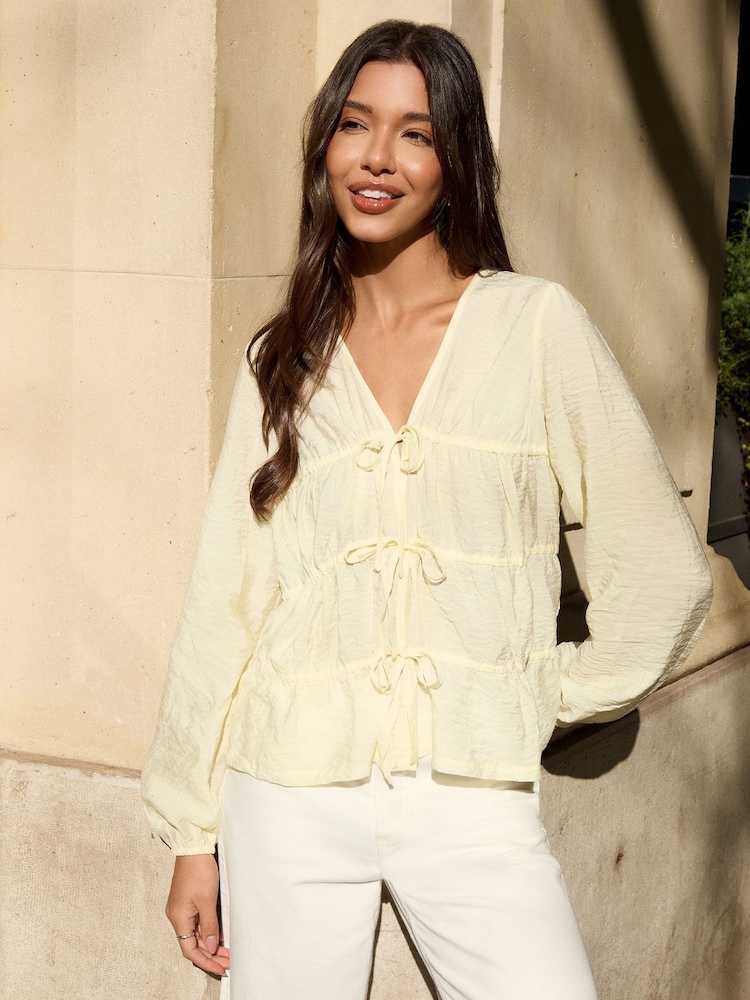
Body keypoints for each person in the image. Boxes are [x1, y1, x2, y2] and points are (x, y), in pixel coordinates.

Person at [141, 19, 712, 1000]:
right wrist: (193, 832)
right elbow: (225, 599)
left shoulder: (535, 328)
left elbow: (662, 568)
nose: (377, 157)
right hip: (286, 787)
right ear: (324, 144)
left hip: (470, 796)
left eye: (415, 132)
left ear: (457, 161)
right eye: (355, 124)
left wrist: (539, 690)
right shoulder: (282, 358)